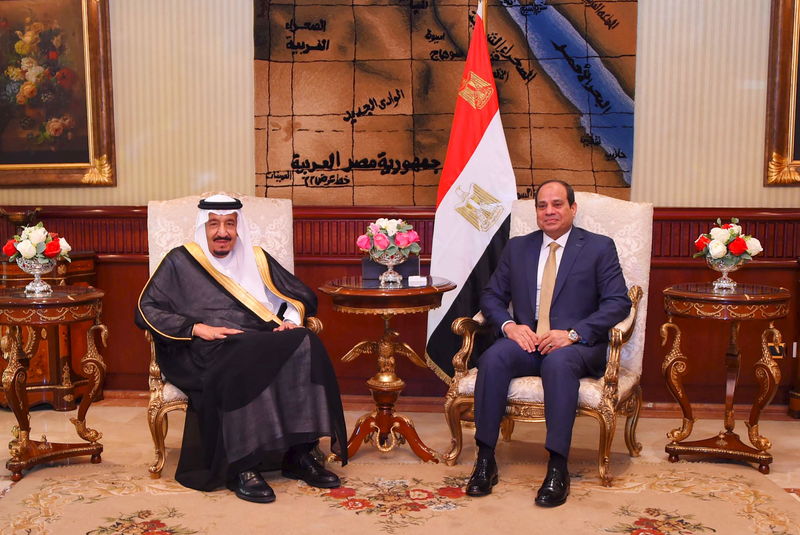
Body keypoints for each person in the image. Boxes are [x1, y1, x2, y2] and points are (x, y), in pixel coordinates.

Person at [135, 194, 347, 504]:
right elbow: (146, 308)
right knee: (242, 352)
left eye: (229, 224)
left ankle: (300, 454)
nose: (222, 232)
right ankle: (242, 466)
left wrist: (287, 319)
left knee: (305, 342)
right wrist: (196, 328)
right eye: (214, 225)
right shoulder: (180, 260)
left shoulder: (256, 257)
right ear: (203, 228)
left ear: (238, 227)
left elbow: (298, 294)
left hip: (257, 336)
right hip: (204, 346)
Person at [466, 180, 631, 507]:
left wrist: (572, 334)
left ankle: (557, 467)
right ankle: (485, 459)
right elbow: (491, 296)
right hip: (528, 340)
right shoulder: (518, 248)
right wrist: (510, 326)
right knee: (493, 358)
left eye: (557, 204)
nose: (549, 211)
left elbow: (617, 303)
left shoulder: (599, 247)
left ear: (572, 208)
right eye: (542, 205)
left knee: (558, 364)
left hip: (576, 346)